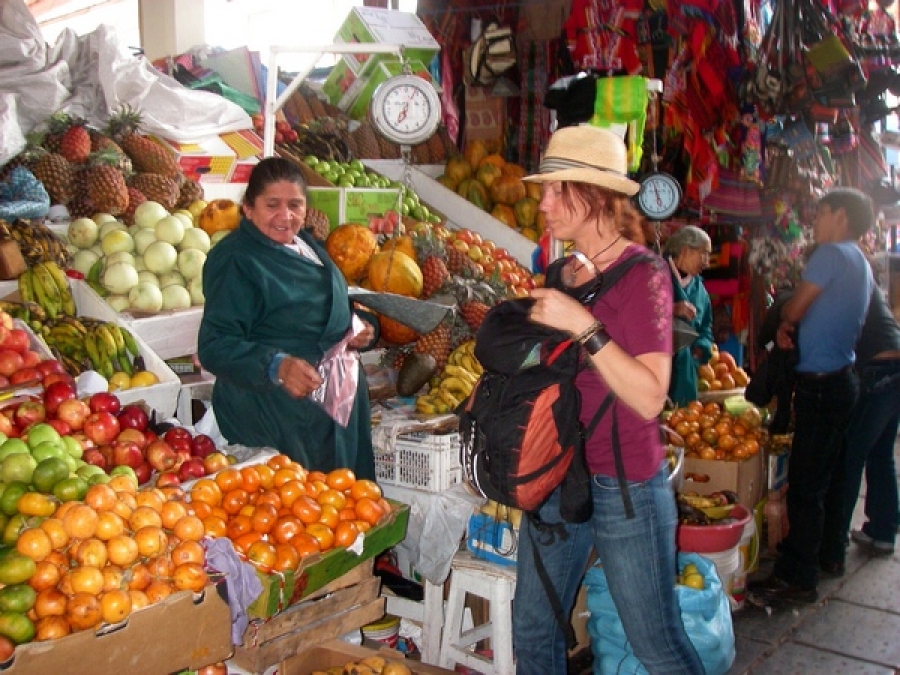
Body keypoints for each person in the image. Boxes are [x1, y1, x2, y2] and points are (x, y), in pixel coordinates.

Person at [517, 125, 704, 674]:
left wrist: (584, 325)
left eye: (555, 189)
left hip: (626, 488)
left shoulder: (644, 275)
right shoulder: (562, 273)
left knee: (657, 645)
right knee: (532, 630)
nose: (543, 202)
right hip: (558, 475)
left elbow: (650, 397)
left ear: (594, 195)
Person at [197, 157, 378, 479]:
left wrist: (360, 327)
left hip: (334, 402)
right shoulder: (236, 259)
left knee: (347, 508)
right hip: (278, 412)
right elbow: (215, 345)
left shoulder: (305, 244)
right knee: (300, 516)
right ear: (248, 208)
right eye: (272, 205)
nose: (286, 216)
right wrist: (277, 366)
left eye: (295, 205)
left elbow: (322, 304)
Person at [751, 187, 874, 604]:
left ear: (841, 216)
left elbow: (794, 309)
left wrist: (787, 318)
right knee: (828, 478)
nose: (814, 222)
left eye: (821, 213)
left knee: (805, 484)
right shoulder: (861, 262)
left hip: (822, 386)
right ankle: (826, 556)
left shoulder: (832, 255)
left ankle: (797, 578)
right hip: (842, 380)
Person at [842, 280, 900, 557]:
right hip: (895, 365)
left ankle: (835, 537)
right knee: (881, 454)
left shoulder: (846, 280)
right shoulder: (866, 281)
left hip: (878, 370)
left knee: (851, 455)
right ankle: (883, 531)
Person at [663, 225, 714, 406]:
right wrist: (671, 309)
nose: (707, 262)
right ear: (685, 250)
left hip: (686, 374)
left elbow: (706, 328)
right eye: (704, 254)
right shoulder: (655, 273)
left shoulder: (701, 291)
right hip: (657, 367)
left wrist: (701, 348)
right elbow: (635, 312)